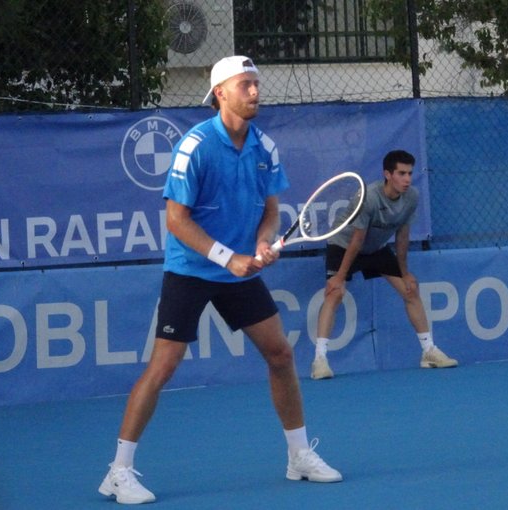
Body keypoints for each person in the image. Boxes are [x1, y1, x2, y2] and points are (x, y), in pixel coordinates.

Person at [98, 55, 342, 505]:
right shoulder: (195, 146)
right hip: (192, 268)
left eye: (256, 84)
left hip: (239, 269)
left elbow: (270, 211)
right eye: (245, 84)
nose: (254, 92)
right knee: (164, 367)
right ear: (220, 93)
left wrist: (264, 241)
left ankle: (298, 456)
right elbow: (176, 219)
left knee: (280, 353)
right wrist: (228, 257)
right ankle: (119, 471)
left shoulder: (264, 147)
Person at [311, 150, 458, 380]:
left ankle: (429, 352)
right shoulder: (369, 197)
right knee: (335, 293)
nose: (407, 178)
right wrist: (340, 276)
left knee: (410, 290)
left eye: (409, 173)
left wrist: (404, 272)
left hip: (376, 248)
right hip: (344, 244)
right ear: (387, 174)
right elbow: (357, 240)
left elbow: (402, 236)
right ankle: (319, 360)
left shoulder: (412, 197)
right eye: (401, 173)